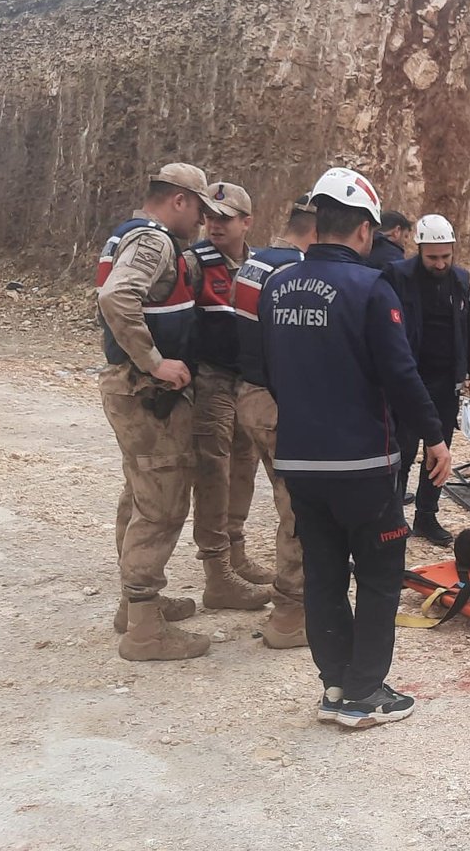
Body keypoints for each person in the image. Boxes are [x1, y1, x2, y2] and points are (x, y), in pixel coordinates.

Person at [260, 167, 451, 729]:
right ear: (365, 229)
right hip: (364, 464)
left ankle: (335, 685)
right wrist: (435, 435)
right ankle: (366, 693)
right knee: (378, 574)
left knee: (322, 573)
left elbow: (270, 370)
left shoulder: (276, 287)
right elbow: (400, 373)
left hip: (299, 460)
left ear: (318, 222)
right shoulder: (370, 288)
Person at [97, 161, 210, 661]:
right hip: (145, 390)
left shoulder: (132, 234)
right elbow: (117, 295)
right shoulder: (153, 240)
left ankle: (135, 606)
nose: (202, 221)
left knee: (142, 493)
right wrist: (154, 361)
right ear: (179, 200)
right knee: (161, 503)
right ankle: (144, 629)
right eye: (199, 209)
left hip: (134, 389)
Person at [230, 194, 318, 647]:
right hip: (278, 403)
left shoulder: (255, 264)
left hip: (249, 395)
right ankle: (289, 615)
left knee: (288, 503)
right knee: (299, 510)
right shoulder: (293, 273)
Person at [187, 181, 274, 612]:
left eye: (225, 218)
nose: (215, 225)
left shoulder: (258, 267)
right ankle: (217, 571)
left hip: (244, 382)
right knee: (213, 473)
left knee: (244, 467)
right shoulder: (193, 263)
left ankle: (236, 551)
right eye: (209, 217)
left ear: (247, 222)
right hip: (209, 380)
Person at [381, 214, 470, 547]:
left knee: (439, 451)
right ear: (419, 249)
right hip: (409, 378)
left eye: (445, 257)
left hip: (446, 381)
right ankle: (393, 520)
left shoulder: (460, 280)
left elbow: (469, 327)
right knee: (403, 449)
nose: (440, 264)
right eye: (432, 257)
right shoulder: (398, 276)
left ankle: (426, 516)